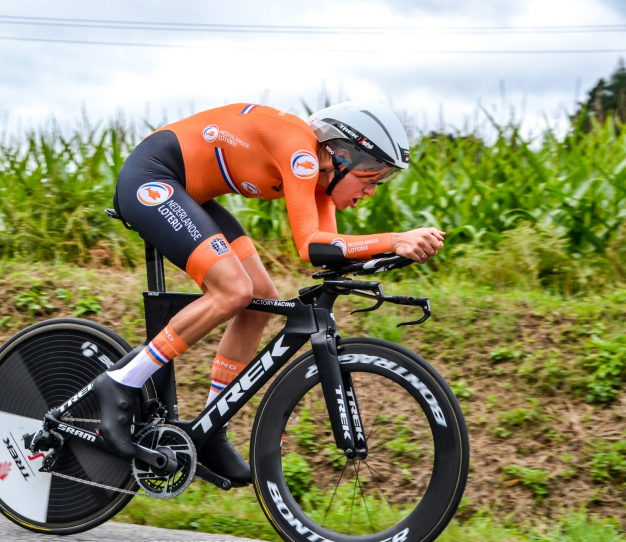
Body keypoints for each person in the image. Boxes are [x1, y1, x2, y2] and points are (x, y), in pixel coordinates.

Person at [93, 100, 445, 485]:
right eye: (372, 178)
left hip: (189, 194)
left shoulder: (322, 184)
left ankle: (210, 428)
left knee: (258, 303)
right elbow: (310, 245)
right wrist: (394, 240)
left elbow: (331, 248)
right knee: (234, 291)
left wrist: (387, 256)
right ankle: (122, 379)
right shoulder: (301, 152)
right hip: (152, 178)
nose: (373, 192)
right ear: (342, 156)